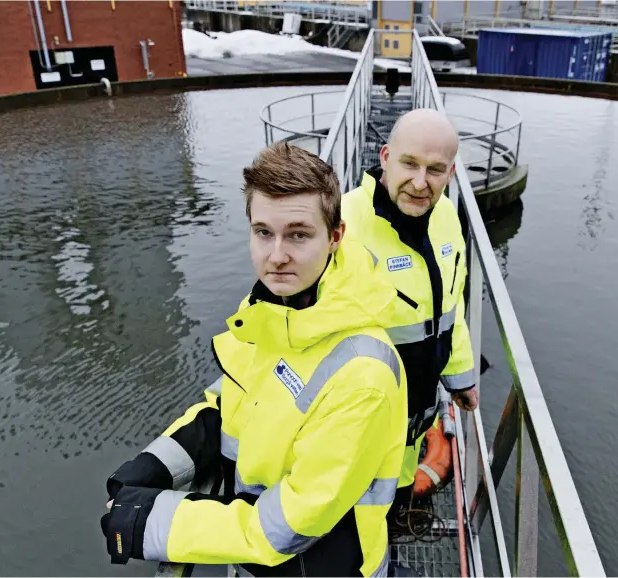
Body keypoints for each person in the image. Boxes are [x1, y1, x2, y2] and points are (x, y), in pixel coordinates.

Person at [100, 142, 408, 577]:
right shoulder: (273, 306)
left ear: (335, 236)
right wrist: (155, 466)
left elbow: (287, 527)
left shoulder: (364, 374)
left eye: (298, 234)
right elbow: (231, 401)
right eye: (263, 232)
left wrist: (150, 522)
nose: (276, 255)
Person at [341, 108, 478, 526]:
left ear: (451, 173)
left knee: (393, 501)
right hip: (357, 422)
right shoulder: (343, 223)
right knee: (351, 517)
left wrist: (461, 377)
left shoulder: (448, 218)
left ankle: (392, 529)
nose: (421, 183)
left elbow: (450, 308)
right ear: (384, 157)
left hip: (416, 412)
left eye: (436, 170)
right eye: (409, 164)